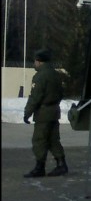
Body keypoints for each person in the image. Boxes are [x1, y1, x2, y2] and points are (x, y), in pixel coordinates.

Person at [23, 48, 67, 178]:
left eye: (35, 61)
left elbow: (35, 97)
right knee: (53, 139)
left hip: (43, 112)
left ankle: (39, 167)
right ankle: (61, 164)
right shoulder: (55, 74)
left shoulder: (40, 76)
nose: (34, 64)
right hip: (54, 111)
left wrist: (27, 112)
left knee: (39, 140)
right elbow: (61, 93)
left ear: (39, 61)